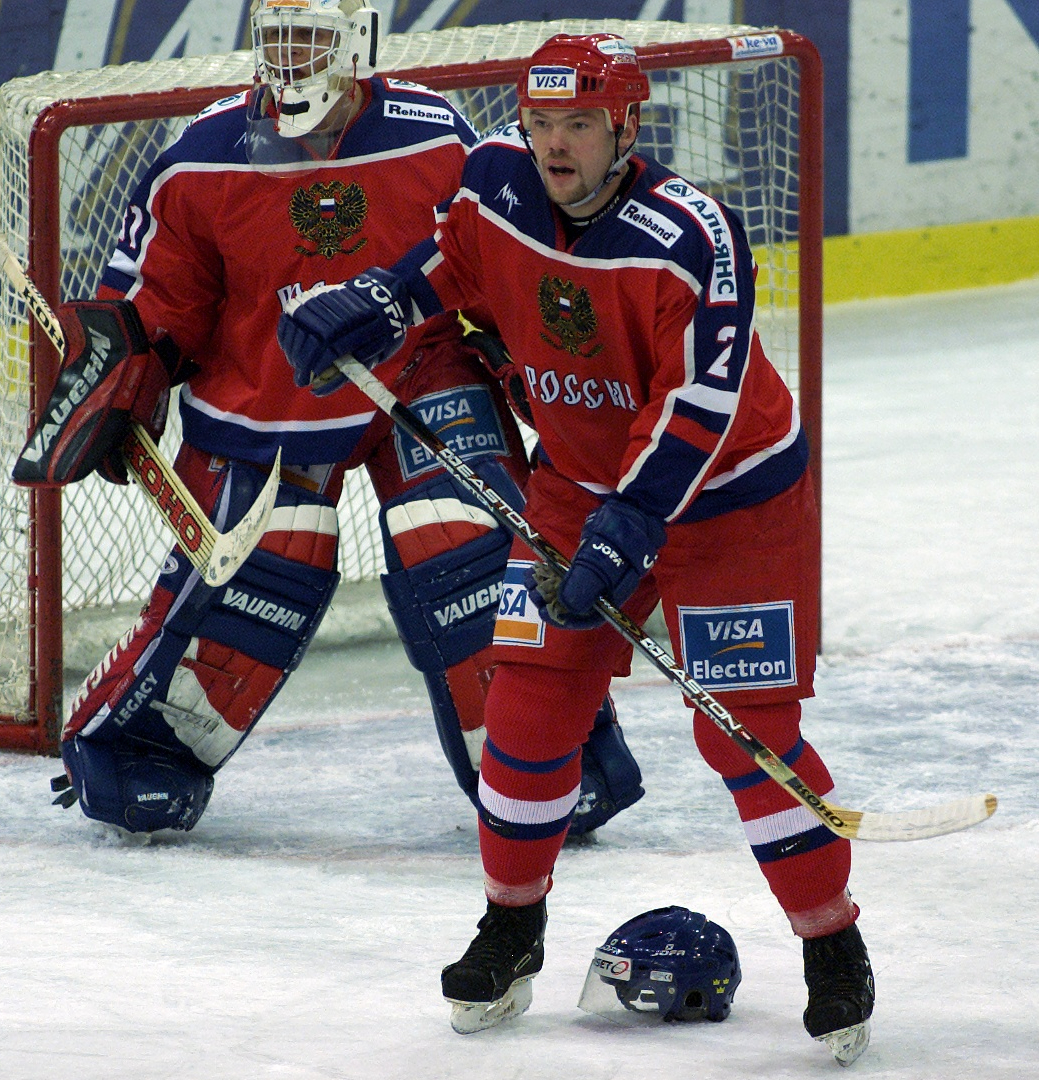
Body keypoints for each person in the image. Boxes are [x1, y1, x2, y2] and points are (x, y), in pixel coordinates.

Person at [275, 32, 875, 1065]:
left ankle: (833, 945)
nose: (554, 144)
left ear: (626, 128)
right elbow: (444, 267)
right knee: (527, 707)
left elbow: (699, 406)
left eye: (579, 125)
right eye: (541, 121)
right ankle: (513, 925)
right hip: (575, 494)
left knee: (745, 736)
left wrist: (630, 528)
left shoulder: (693, 234)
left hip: (730, 506)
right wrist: (372, 303)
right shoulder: (494, 181)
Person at [40, 2, 644, 841]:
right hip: (266, 385)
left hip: (418, 371)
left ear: (356, 42)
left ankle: (548, 759)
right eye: (276, 36)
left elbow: (496, 264)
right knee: (265, 561)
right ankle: (135, 747)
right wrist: (125, 375)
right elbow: (158, 298)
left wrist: (535, 373)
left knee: (467, 540)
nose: (290, 58)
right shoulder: (201, 156)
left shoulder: (432, 136)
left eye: (311, 38)